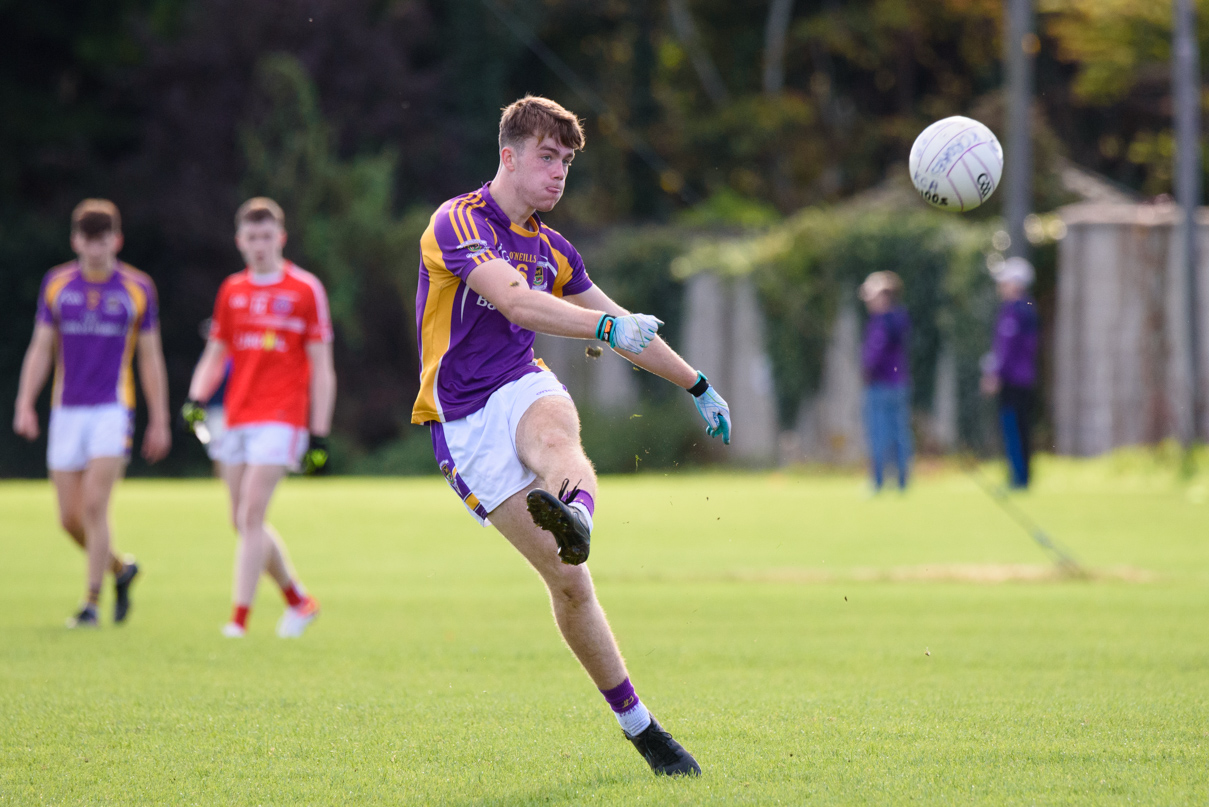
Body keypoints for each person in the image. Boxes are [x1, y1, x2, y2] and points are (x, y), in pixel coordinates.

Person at [412, 95, 730, 777]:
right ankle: (636, 723)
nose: (559, 174)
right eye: (547, 157)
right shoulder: (457, 221)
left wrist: (696, 384)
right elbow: (519, 302)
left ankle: (576, 514)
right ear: (509, 156)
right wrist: (608, 330)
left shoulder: (553, 248)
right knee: (569, 584)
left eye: (567, 163)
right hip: (462, 424)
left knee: (558, 433)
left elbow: (623, 325)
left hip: (519, 386)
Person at [12, 199, 171, 627]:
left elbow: (150, 359)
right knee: (69, 519)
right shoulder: (57, 285)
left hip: (112, 410)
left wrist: (159, 418)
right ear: (75, 241)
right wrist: (25, 401)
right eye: (87, 239)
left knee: (95, 507)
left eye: (103, 240)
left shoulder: (137, 288)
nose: (95, 248)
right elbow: (42, 347)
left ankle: (90, 603)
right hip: (67, 410)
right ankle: (121, 569)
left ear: (116, 240)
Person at [183, 197, 335, 638]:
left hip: (283, 418)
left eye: (267, 236)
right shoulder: (232, 290)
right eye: (251, 237)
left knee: (250, 514)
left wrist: (318, 435)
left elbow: (322, 367)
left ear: (281, 238)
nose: (260, 245)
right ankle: (298, 600)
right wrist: (196, 396)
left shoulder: (305, 290)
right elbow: (216, 353)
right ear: (239, 242)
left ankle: (238, 622)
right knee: (242, 520)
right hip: (235, 416)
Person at [981, 257, 1039, 489]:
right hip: (1022, 377)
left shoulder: (1015, 310)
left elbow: (1006, 348)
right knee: (1020, 427)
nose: (1001, 287)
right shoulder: (1026, 307)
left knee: (1014, 428)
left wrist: (994, 373)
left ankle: (1019, 477)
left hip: (1013, 379)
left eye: (1004, 282)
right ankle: (1020, 475)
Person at [859, 271, 912, 491]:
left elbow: (875, 354)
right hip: (899, 383)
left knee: (880, 434)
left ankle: (879, 481)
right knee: (899, 433)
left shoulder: (882, 321)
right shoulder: (899, 318)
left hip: (882, 385)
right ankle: (901, 481)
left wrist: (866, 370)